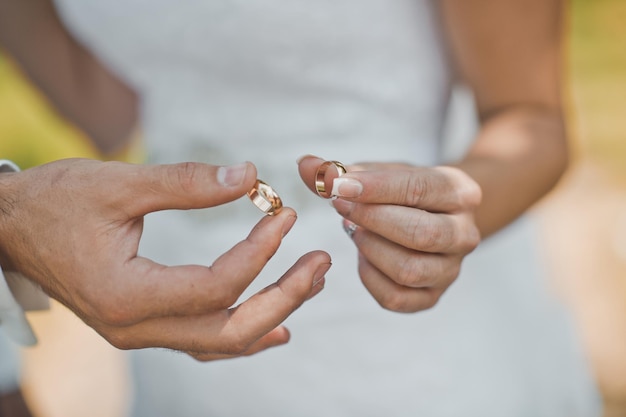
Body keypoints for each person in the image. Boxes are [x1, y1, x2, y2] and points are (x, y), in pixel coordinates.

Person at [1, 0, 602, 416]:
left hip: (399, 323)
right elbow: (106, 105)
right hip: (178, 334)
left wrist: (446, 216)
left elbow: (534, 123)